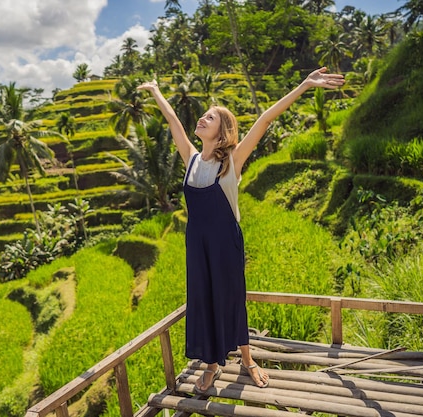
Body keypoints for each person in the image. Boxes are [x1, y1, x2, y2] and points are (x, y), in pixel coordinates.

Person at [137, 67, 345, 393]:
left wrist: (305, 85)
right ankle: (212, 364)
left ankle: (247, 359)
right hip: (197, 244)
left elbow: (264, 119)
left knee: (232, 299)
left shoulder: (232, 161)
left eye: (210, 118)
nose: (202, 119)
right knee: (203, 299)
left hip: (225, 243)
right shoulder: (190, 160)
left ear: (222, 132)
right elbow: (173, 121)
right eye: (203, 116)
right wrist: (154, 91)